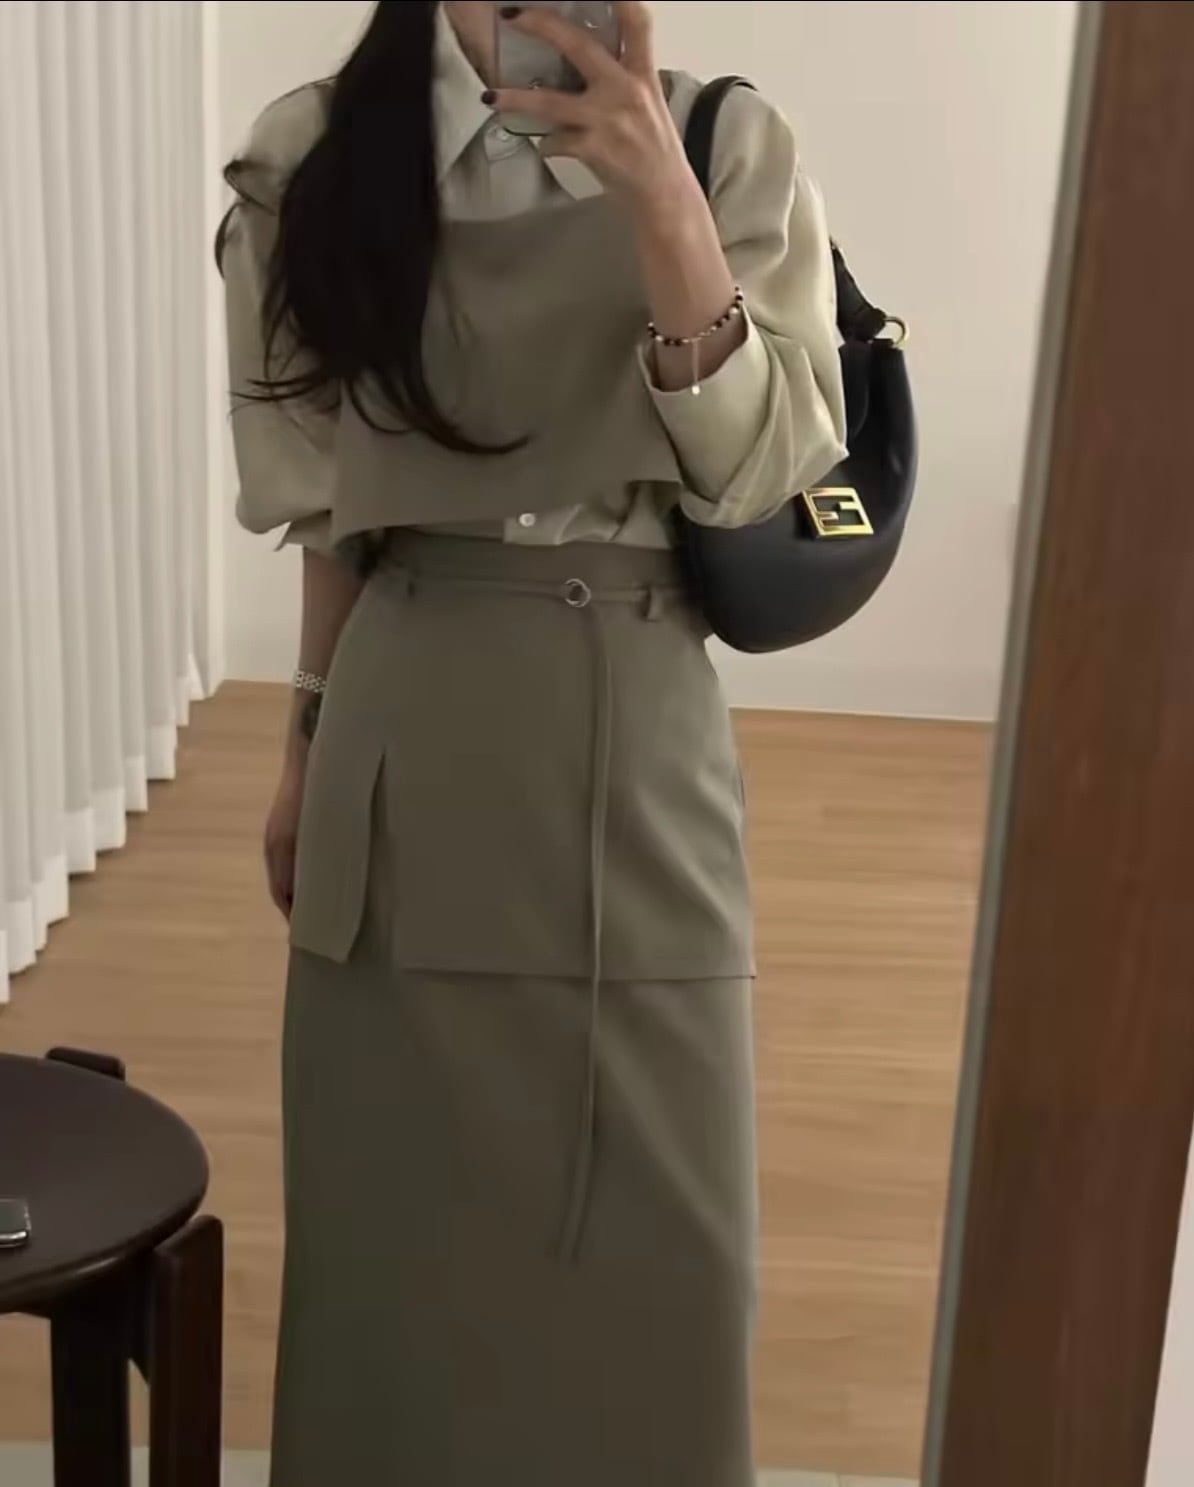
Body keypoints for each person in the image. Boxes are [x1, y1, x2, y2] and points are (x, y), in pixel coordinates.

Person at [220, 1, 845, 1481]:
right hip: (406, 731)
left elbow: (765, 474)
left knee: (671, 1261)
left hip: (639, 736)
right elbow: (329, 506)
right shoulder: (314, 155)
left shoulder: (723, 144)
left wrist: (664, 206)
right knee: (391, 1266)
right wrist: (304, 745)